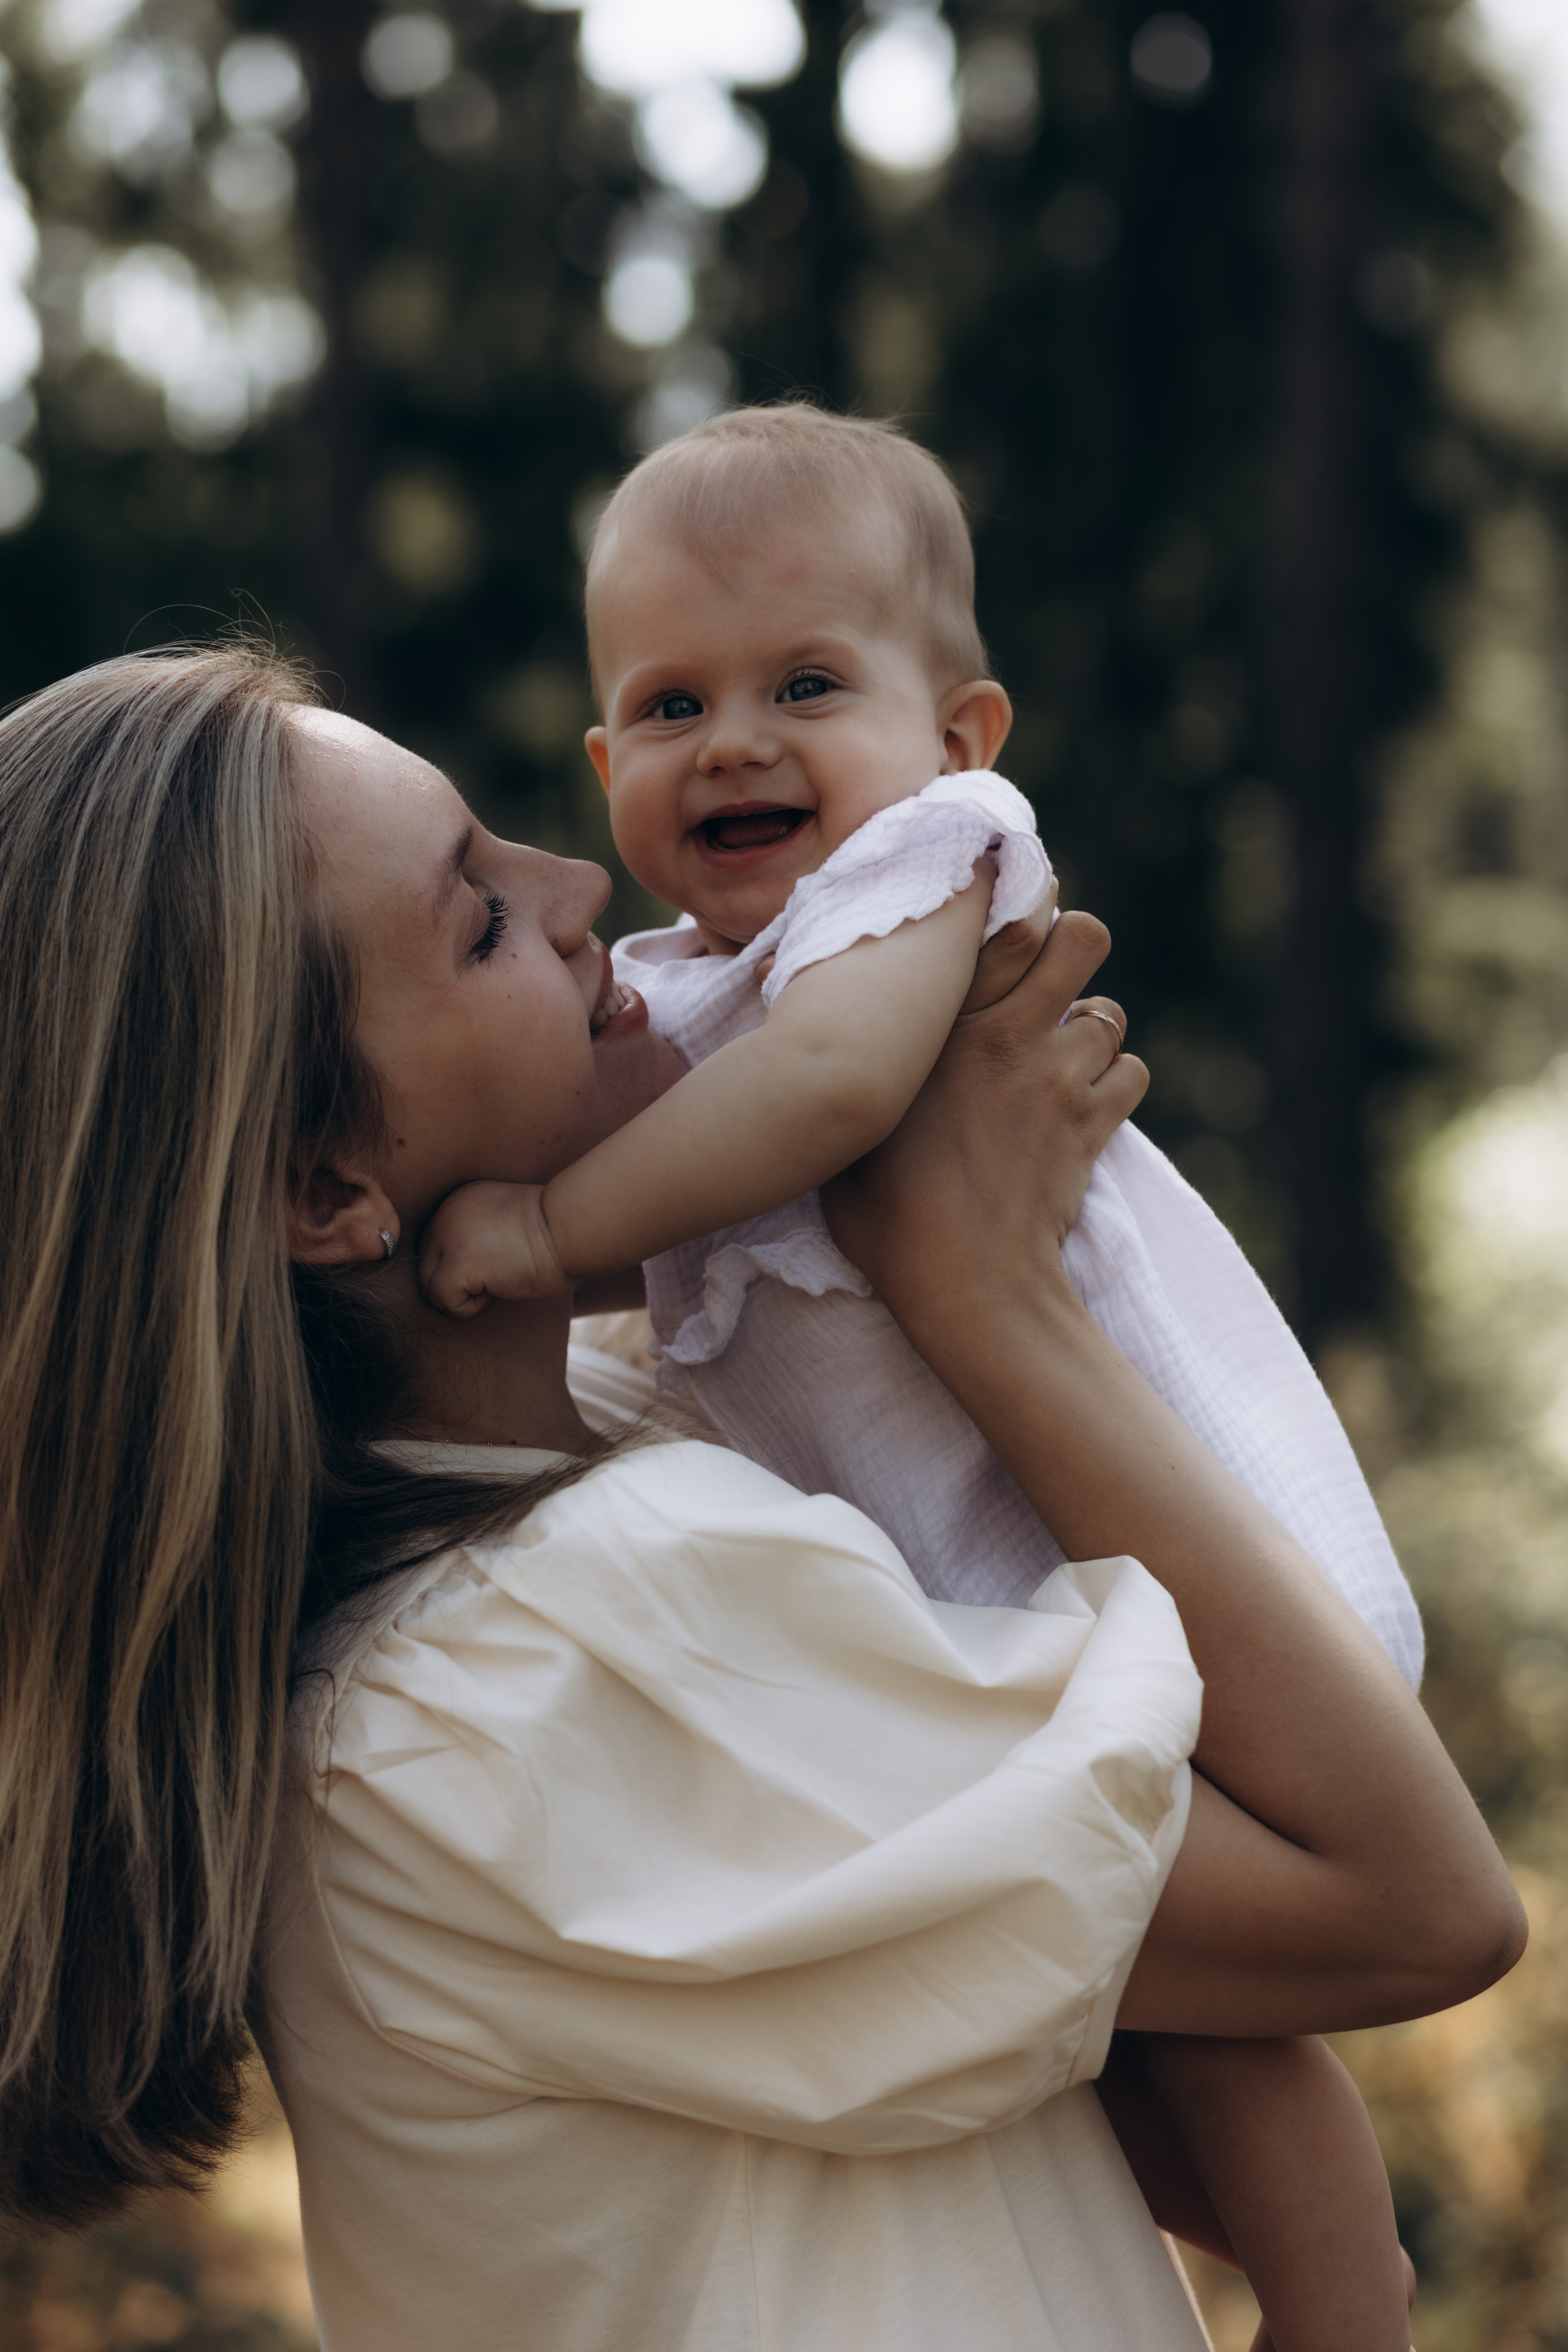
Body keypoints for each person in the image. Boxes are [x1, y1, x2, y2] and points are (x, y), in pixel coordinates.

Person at [0, 646, 1521, 2352]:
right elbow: (1418, 1906)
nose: (579, 887)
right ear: (324, 1187)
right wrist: (986, 1295)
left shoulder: (587, 1468)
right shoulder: (560, 1652)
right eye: (481, 921)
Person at [413, 406, 1419, 2346]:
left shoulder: (920, 874)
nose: (737, 741)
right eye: (674, 703)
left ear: (960, 735)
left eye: (807, 684)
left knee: (1225, 2022)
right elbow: (701, 1231)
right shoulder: (681, 992)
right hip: (972, 1586)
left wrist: (539, 1227)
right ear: (609, 763)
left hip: (1134, 1539)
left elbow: (832, 1099)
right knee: (1102, 2002)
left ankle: (1343, 2303)